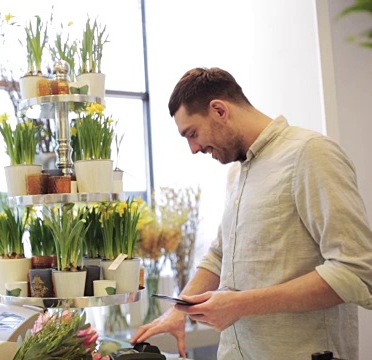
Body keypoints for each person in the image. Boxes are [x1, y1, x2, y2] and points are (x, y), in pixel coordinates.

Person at [131, 67, 372, 359]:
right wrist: (179, 310)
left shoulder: (310, 153)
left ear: (219, 110)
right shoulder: (236, 173)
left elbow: (357, 271)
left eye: (192, 133)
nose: (193, 149)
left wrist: (239, 304)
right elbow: (219, 256)